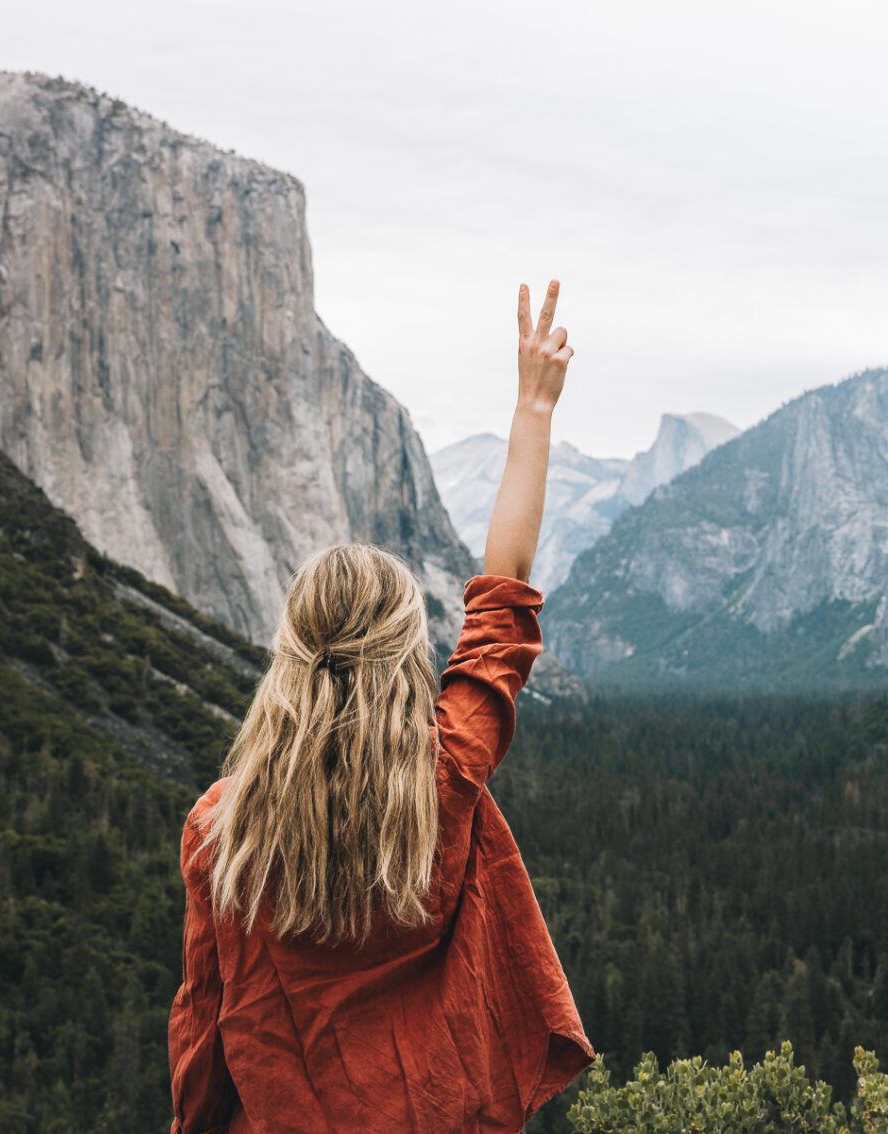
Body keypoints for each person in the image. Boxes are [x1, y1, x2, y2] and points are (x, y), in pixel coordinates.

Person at [168, 280, 592, 1133]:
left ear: (289, 655)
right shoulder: (444, 776)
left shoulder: (221, 833)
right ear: (405, 659)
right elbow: (501, 608)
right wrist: (534, 407)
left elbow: (204, 1023)